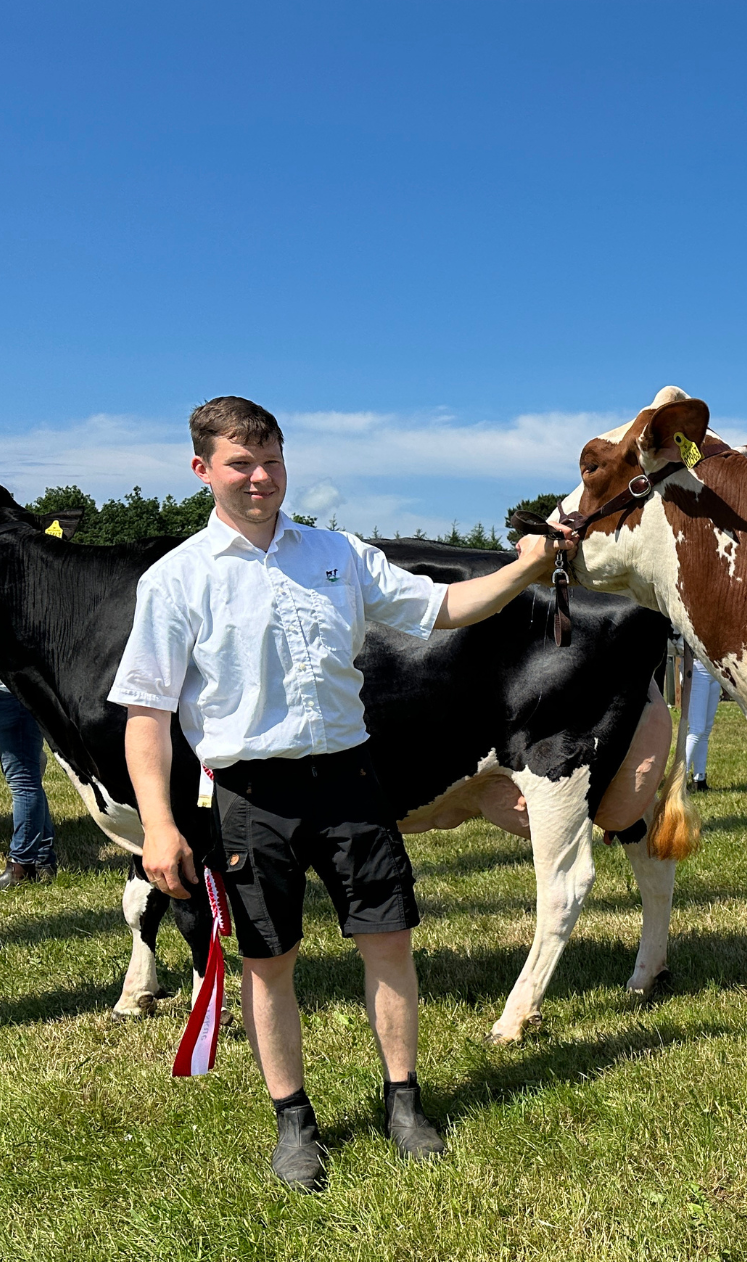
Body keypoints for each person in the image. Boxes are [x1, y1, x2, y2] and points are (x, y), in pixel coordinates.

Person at [109, 397, 571, 1192]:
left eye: (272, 460)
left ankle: (404, 1104)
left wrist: (527, 568)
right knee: (269, 962)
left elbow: (441, 608)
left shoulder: (337, 554)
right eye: (241, 464)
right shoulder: (177, 579)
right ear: (202, 470)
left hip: (352, 781)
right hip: (252, 798)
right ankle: (295, 1123)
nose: (261, 478)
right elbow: (146, 715)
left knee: (389, 941)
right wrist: (158, 825)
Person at [0, 646, 60, 890]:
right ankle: (42, 858)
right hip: (11, 687)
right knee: (28, 779)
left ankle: (21, 866)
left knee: (23, 781)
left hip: (9, 690)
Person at [682, 654, 721, 791]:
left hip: (714, 666)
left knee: (705, 730)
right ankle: (679, 780)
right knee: (696, 729)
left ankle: (700, 779)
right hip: (696, 666)